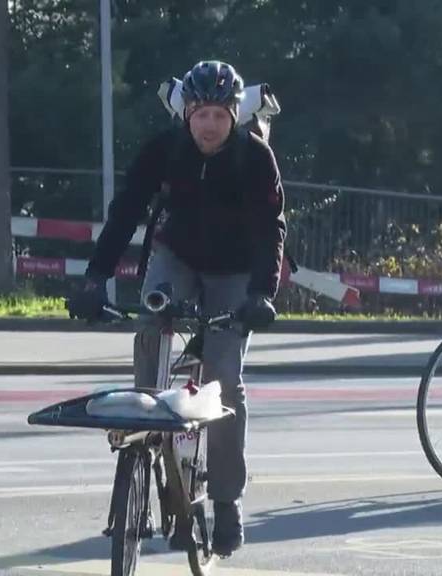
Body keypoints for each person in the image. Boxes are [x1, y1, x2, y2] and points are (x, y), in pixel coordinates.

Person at [68, 60, 286, 557]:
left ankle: (227, 501)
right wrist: (95, 277)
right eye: (200, 113)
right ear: (185, 113)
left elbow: (271, 228)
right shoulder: (164, 151)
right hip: (177, 255)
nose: (209, 124)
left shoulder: (255, 158)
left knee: (225, 378)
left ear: (234, 115)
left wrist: (262, 294)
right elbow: (125, 211)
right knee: (151, 336)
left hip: (234, 273)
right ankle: (142, 451)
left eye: (218, 114)